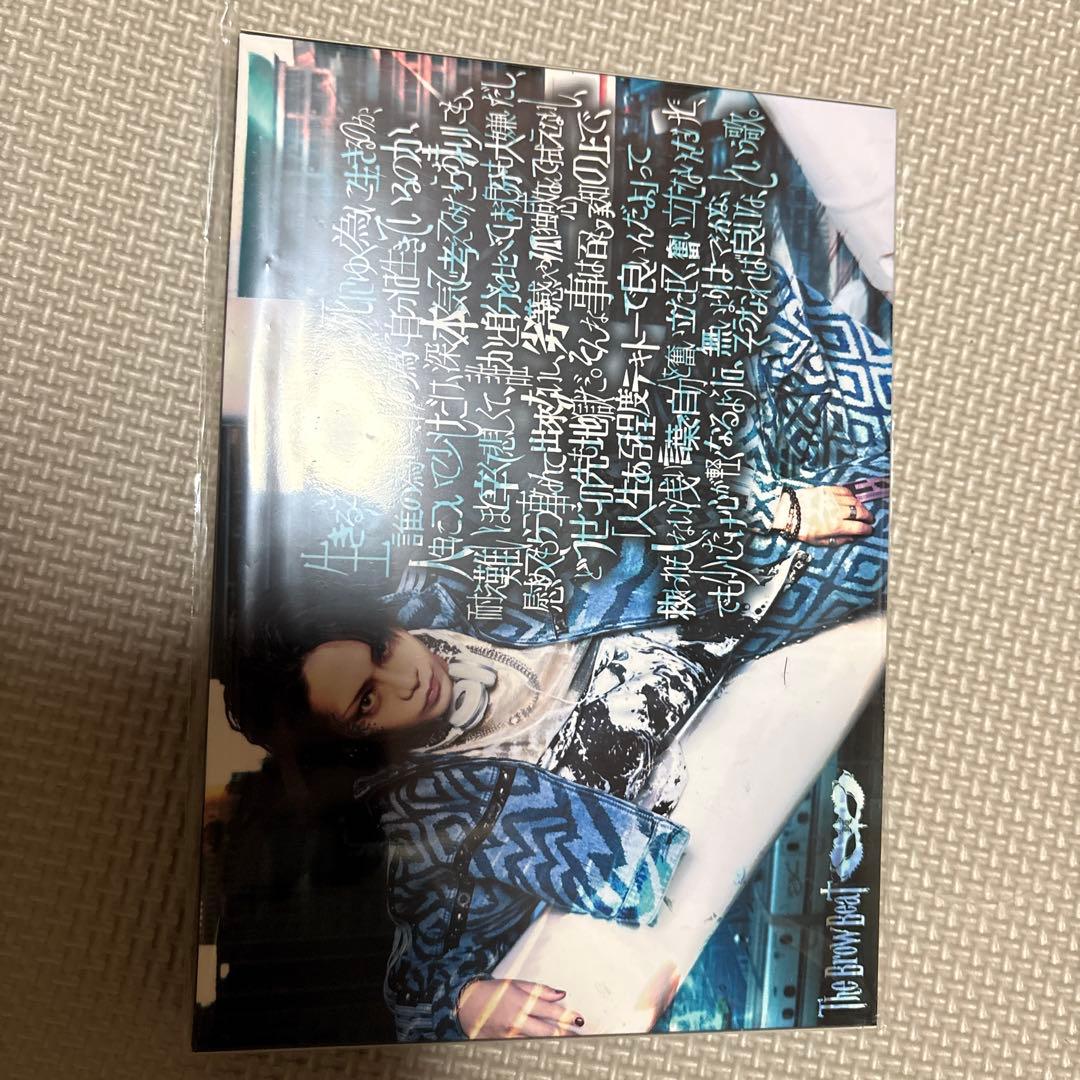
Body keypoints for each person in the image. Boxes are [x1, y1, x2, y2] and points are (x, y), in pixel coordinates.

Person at [221, 261, 891, 1041]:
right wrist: (459, 1002)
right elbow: (416, 982)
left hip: (724, 521)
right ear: (349, 740)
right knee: (892, 502)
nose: (404, 676)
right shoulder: (428, 811)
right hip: (751, 616)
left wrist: (771, 509)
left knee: (761, 310)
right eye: (368, 702)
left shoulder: (451, 570)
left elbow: (612, 477)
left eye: (378, 647)